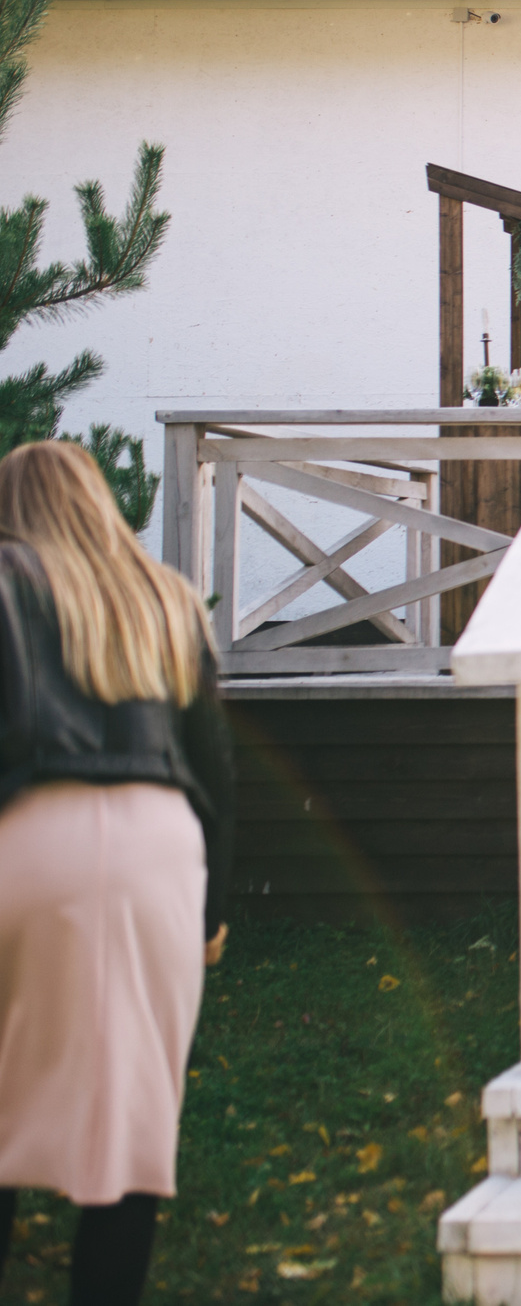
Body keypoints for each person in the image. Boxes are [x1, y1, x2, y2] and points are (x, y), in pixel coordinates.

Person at [0, 440, 235, 1306]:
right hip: (156, 845)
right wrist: (211, 910)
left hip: (20, 834)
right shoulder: (162, 597)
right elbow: (215, 769)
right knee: (131, 1128)